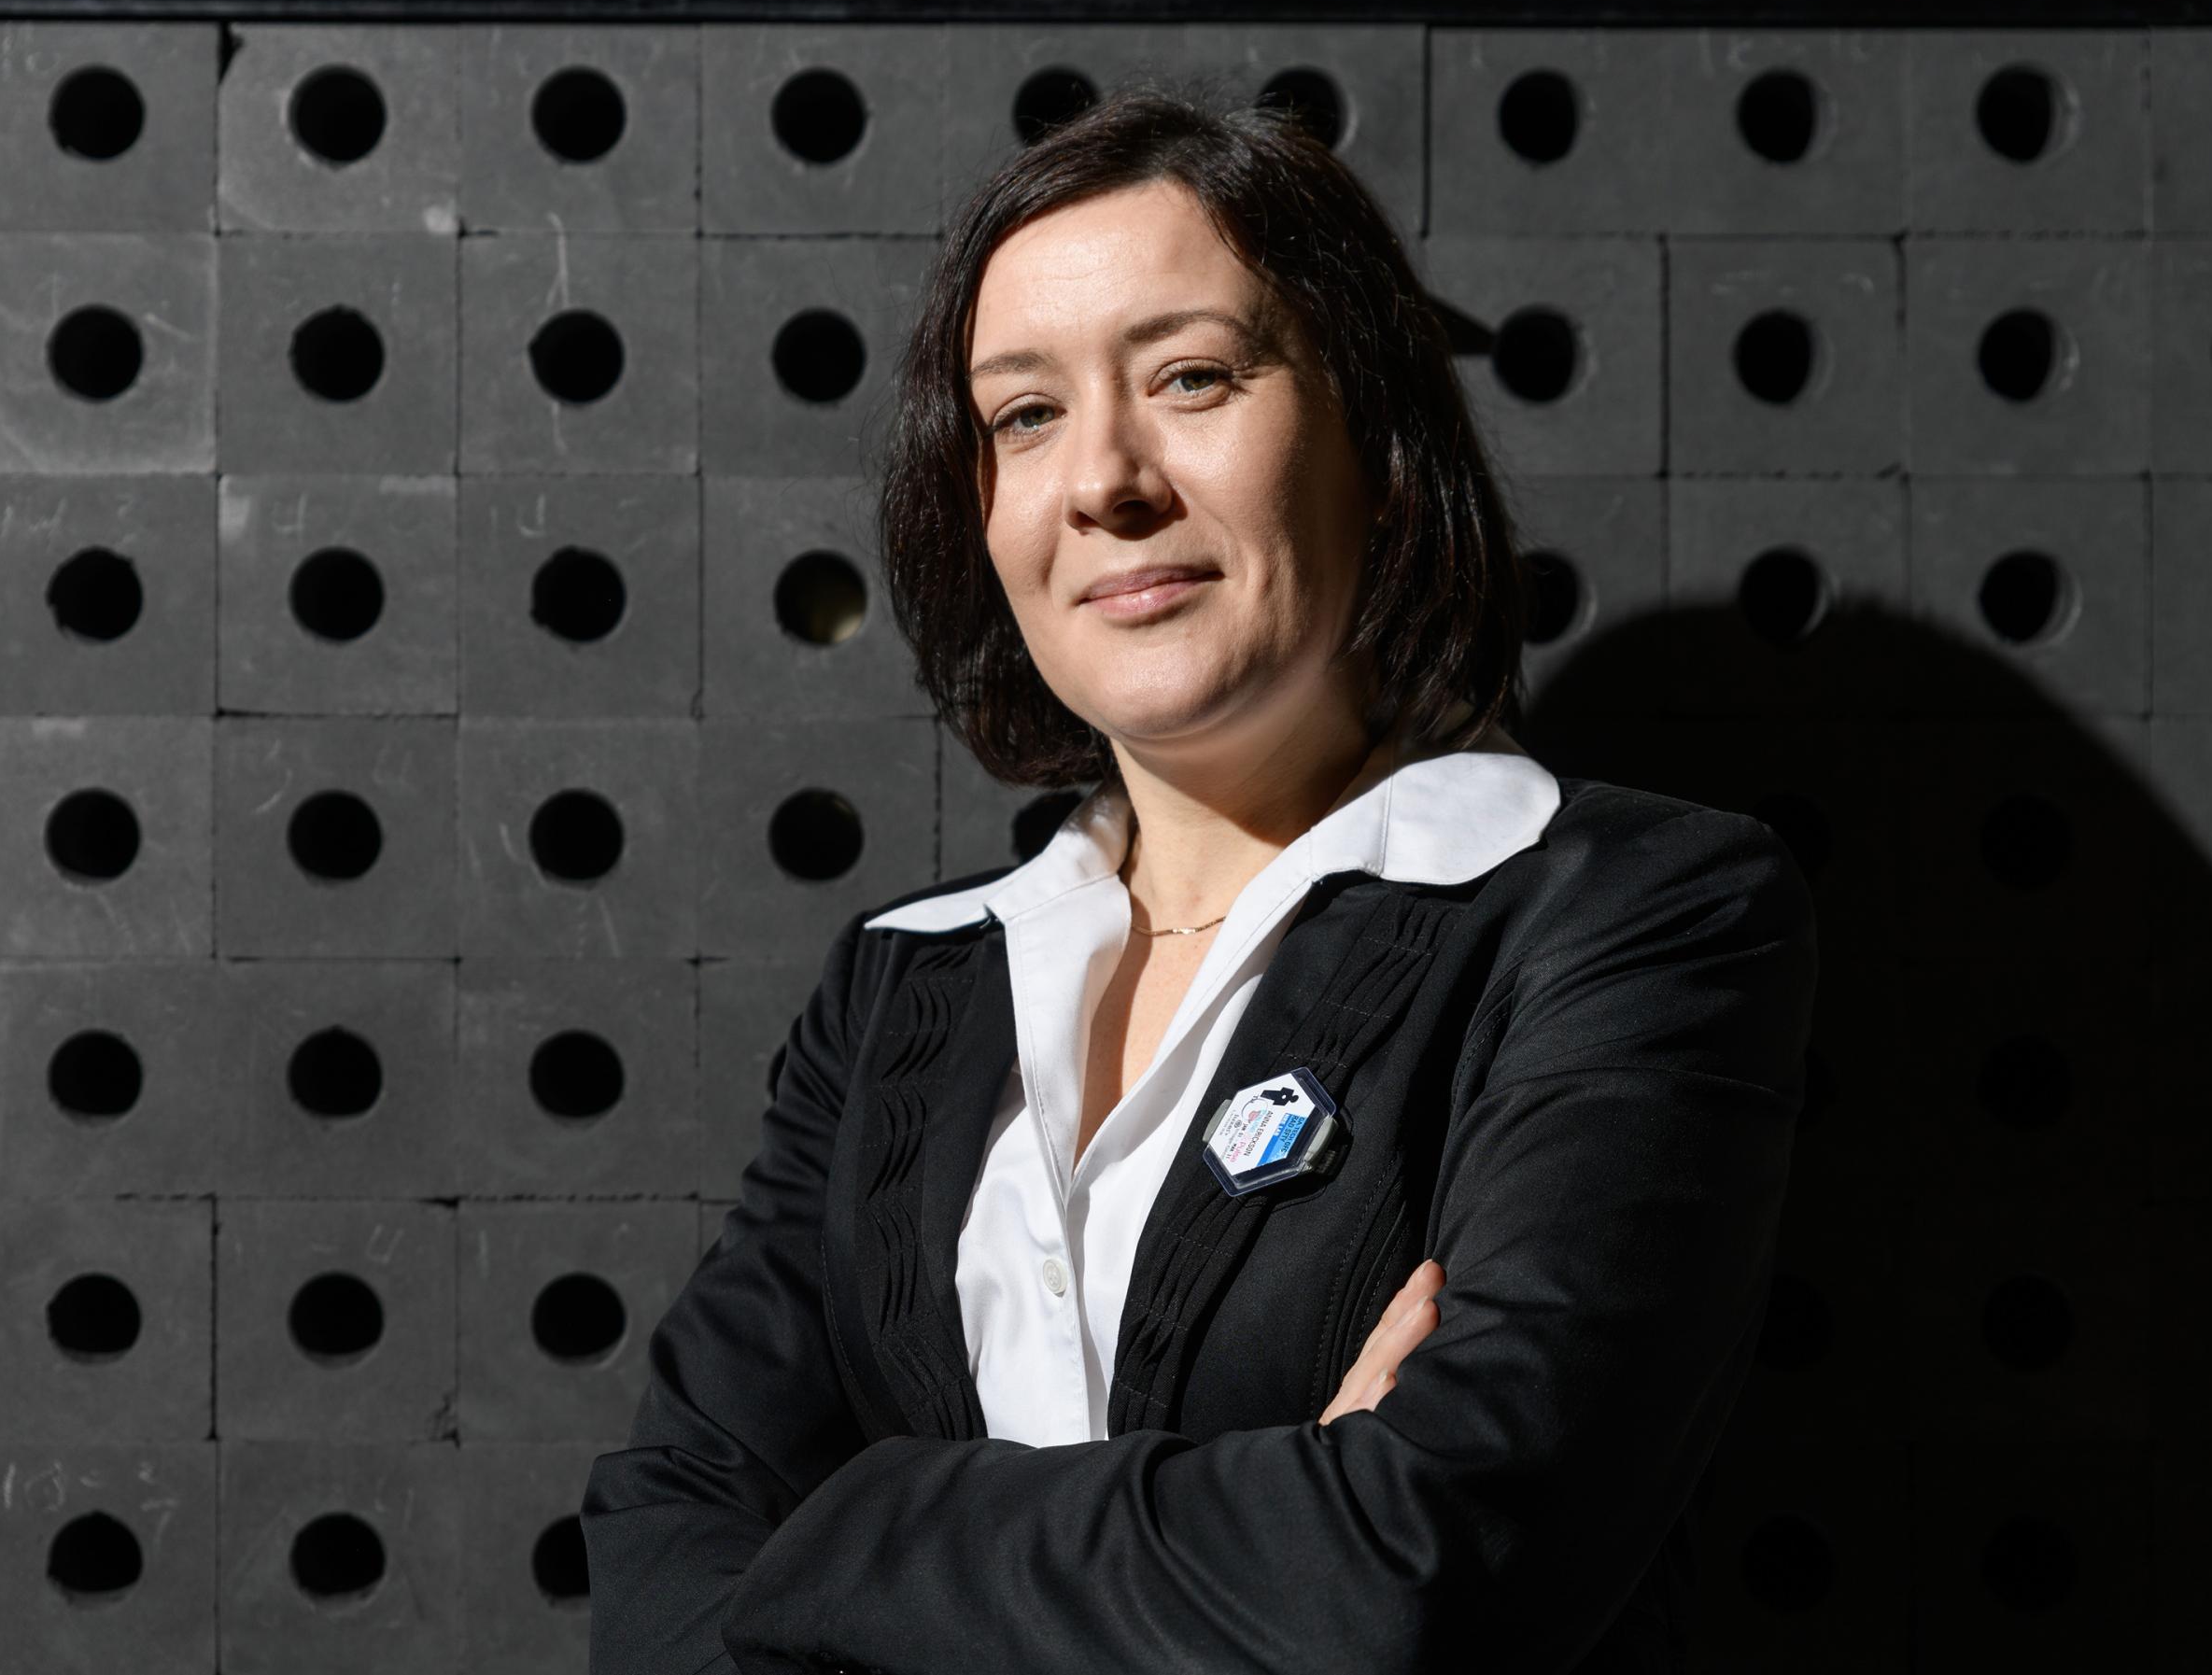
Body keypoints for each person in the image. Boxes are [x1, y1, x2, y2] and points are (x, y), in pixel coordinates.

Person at [581, 83, 1818, 1673]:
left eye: (1191, 377)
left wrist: (852, 1524)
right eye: (1024, 414)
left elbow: (1419, 1577)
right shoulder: (906, 981)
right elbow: (662, 1575)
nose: (1105, 477)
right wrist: (1283, 1505)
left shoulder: (1631, 912)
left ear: (1377, 442)